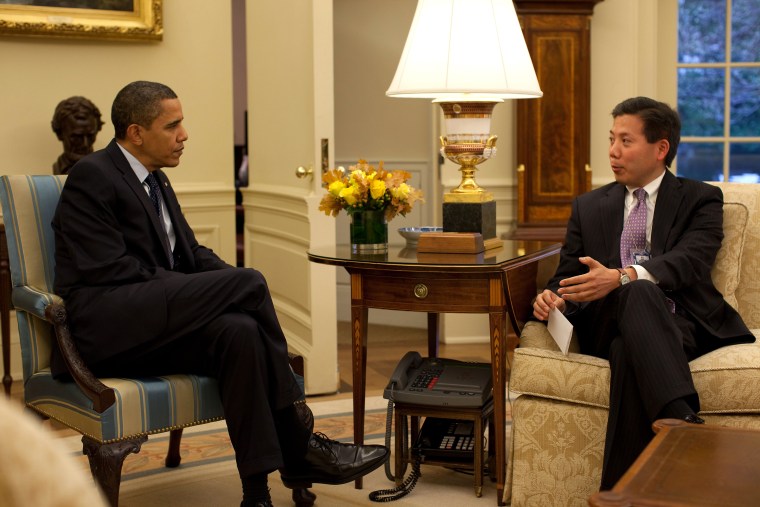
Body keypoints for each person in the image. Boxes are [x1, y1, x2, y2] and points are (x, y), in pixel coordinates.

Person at [52, 80, 388, 507]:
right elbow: (109, 270)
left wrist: (222, 287)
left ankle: (256, 493)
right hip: (107, 325)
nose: (184, 135)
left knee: (240, 332)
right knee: (249, 283)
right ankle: (299, 438)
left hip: (154, 319)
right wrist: (217, 289)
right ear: (136, 133)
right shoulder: (92, 175)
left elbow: (190, 253)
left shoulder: (156, 180)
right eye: (172, 126)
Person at [531, 96, 755, 490]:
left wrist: (622, 276)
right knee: (634, 295)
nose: (613, 152)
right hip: (604, 320)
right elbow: (565, 277)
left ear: (661, 148)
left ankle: (620, 493)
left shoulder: (700, 199)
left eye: (626, 141)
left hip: (682, 323)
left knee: (628, 340)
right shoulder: (589, 206)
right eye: (611, 139)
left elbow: (691, 261)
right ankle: (683, 422)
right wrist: (554, 298)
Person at [51, 96, 105, 175]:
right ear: (59, 133)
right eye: (77, 137)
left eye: (90, 136)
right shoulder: (58, 168)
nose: (85, 144)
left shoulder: (105, 170)